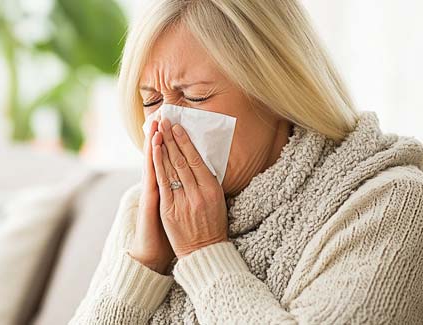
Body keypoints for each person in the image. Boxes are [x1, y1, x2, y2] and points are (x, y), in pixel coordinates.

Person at [70, 0, 423, 323]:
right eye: (151, 101)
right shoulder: (143, 211)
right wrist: (143, 267)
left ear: (277, 91)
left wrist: (203, 251)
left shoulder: (393, 205)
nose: (164, 125)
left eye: (195, 96)